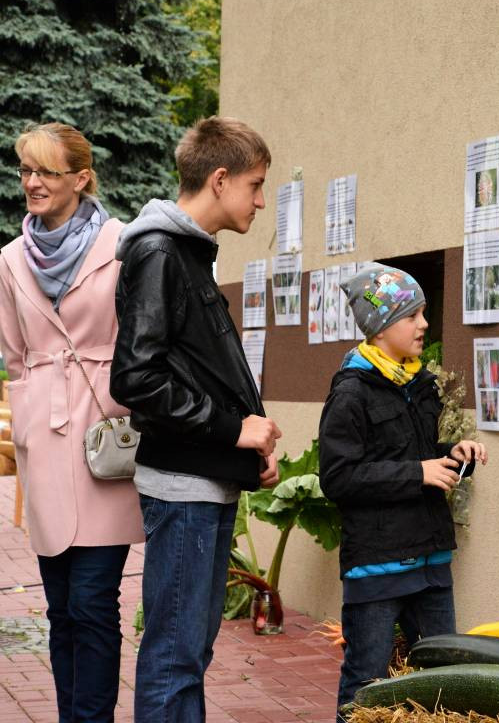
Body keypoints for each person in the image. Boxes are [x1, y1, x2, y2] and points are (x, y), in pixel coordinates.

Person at [109, 116, 282, 722]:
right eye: (256, 185)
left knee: (191, 653)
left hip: (203, 482)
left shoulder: (188, 254)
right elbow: (136, 379)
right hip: (182, 489)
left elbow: (196, 368)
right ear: (219, 178)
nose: (261, 201)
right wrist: (234, 431)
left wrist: (245, 452)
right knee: (175, 657)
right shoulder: (159, 252)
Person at [0, 122, 144, 721]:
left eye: (46, 172)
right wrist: (29, 410)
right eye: (25, 171)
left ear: (81, 179)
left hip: (103, 437)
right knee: (59, 606)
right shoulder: (9, 259)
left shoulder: (124, 245)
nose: (31, 182)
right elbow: (13, 351)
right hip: (45, 446)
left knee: (92, 601)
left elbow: (143, 339)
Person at [319, 264, 487, 719]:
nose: (424, 325)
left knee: (440, 682)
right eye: (412, 315)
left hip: (432, 563)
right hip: (376, 568)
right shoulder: (350, 393)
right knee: (365, 685)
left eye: (423, 314)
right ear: (381, 325)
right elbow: (339, 478)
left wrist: (453, 454)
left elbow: (418, 454)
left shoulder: (421, 383)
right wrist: (418, 473)